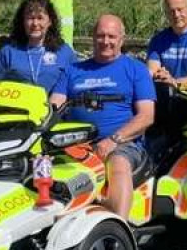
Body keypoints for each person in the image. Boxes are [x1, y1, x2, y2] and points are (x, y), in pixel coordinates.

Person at [50, 14, 155, 219]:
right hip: (75, 143)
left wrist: (113, 140)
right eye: (100, 36)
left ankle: (117, 228)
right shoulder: (73, 70)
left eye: (111, 36)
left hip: (123, 143)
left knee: (118, 164)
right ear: (92, 38)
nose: (105, 41)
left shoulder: (136, 70)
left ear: (122, 40)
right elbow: (54, 106)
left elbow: (146, 116)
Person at [0, 0, 76, 93]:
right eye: (30, 18)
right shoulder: (8, 52)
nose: (35, 23)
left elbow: (76, 84)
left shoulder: (64, 52)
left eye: (40, 18)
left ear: (50, 22)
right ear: (23, 22)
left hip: (52, 107)